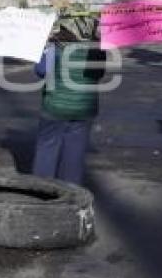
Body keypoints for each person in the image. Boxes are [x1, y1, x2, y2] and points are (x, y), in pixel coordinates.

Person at [32, 16, 106, 185]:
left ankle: (40, 189)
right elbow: (98, 74)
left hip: (54, 107)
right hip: (84, 109)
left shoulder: (54, 46)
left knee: (47, 149)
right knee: (74, 154)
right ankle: (70, 193)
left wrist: (44, 47)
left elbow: (41, 71)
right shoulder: (96, 47)